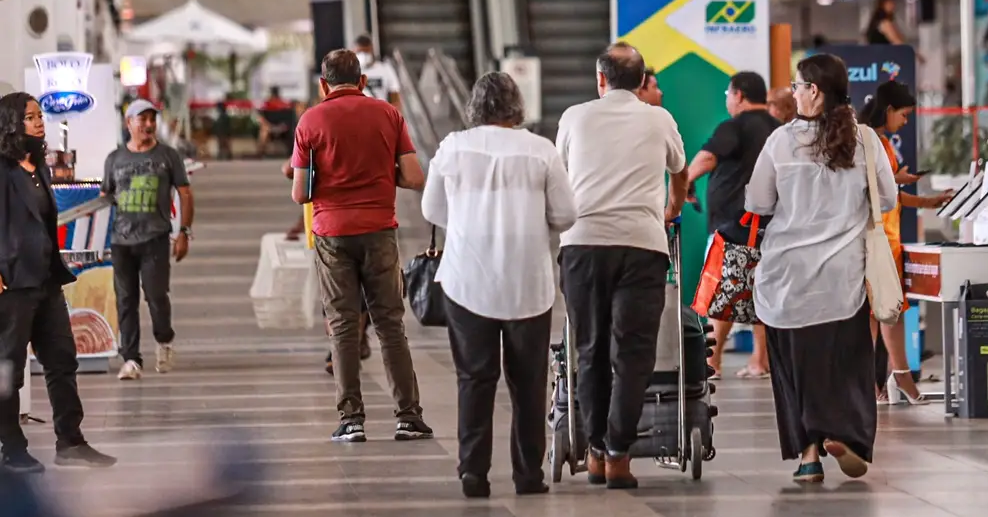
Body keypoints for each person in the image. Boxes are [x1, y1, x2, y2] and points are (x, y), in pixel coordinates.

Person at [422, 72, 577, 498]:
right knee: (528, 384)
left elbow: (432, 208)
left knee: (474, 379)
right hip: (527, 283)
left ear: (475, 106)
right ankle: (528, 475)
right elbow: (565, 214)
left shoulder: (453, 147)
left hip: (466, 281)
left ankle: (473, 472)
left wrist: (468, 223)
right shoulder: (540, 150)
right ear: (516, 106)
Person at [745, 53, 898, 483]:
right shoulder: (865, 140)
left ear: (813, 90)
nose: (794, 93)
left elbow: (758, 202)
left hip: (786, 280)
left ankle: (808, 456)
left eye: (797, 86)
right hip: (842, 280)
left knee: (793, 370)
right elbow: (887, 198)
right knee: (847, 366)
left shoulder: (780, 141)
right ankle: (845, 436)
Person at [556, 42, 688, 489]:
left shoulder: (574, 117)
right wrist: (671, 207)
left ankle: (595, 450)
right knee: (633, 354)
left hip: (583, 245)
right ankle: (617, 453)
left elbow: (560, 176)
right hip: (642, 245)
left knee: (589, 349)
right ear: (642, 81)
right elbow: (679, 169)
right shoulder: (659, 119)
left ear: (600, 79)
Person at [291, 49, 433, 442]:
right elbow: (414, 177)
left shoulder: (310, 121)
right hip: (379, 230)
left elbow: (300, 193)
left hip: (332, 234)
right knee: (390, 325)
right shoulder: (388, 114)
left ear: (323, 85)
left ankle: (351, 419)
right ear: (363, 81)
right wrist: (383, 174)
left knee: (342, 325)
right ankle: (408, 416)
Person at [0, 92, 117, 473]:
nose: (39, 122)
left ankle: (71, 442)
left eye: (39, 116)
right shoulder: (3, 170)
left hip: (47, 281)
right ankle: (11, 450)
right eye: (30, 117)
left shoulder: (40, 168)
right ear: (12, 123)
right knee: (8, 369)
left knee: (62, 360)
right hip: (13, 285)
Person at [858, 80, 952, 405]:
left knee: (887, 310)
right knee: (880, 311)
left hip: (886, 237)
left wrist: (925, 201)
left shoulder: (878, 141)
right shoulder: (869, 140)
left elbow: (889, 192)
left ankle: (893, 377)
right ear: (888, 110)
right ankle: (890, 379)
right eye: (904, 114)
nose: (906, 121)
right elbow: (876, 188)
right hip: (878, 238)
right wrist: (896, 180)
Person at [687, 72, 779, 380]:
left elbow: (707, 158)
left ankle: (712, 363)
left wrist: (685, 181)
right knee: (762, 294)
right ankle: (759, 361)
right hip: (771, 225)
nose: (728, 99)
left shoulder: (735, 126)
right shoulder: (778, 128)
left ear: (739, 95)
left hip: (733, 226)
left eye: (728, 94)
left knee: (721, 294)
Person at [102, 99, 195, 381]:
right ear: (128, 123)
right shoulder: (114, 159)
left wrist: (184, 232)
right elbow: (106, 197)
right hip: (121, 241)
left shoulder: (168, 156)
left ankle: (164, 339)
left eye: (152, 119)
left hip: (155, 237)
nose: (148, 124)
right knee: (125, 300)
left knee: (156, 296)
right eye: (141, 119)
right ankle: (131, 359)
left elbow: (185, 193)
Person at [354, 34, 402, 110]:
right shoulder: (348, 71)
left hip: (380, 113)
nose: (363, 55)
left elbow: (394, 94)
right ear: (354, 51)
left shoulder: (385, 69)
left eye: (366, 51)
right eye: (360, 52)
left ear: (372, 50)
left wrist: (395, 113)